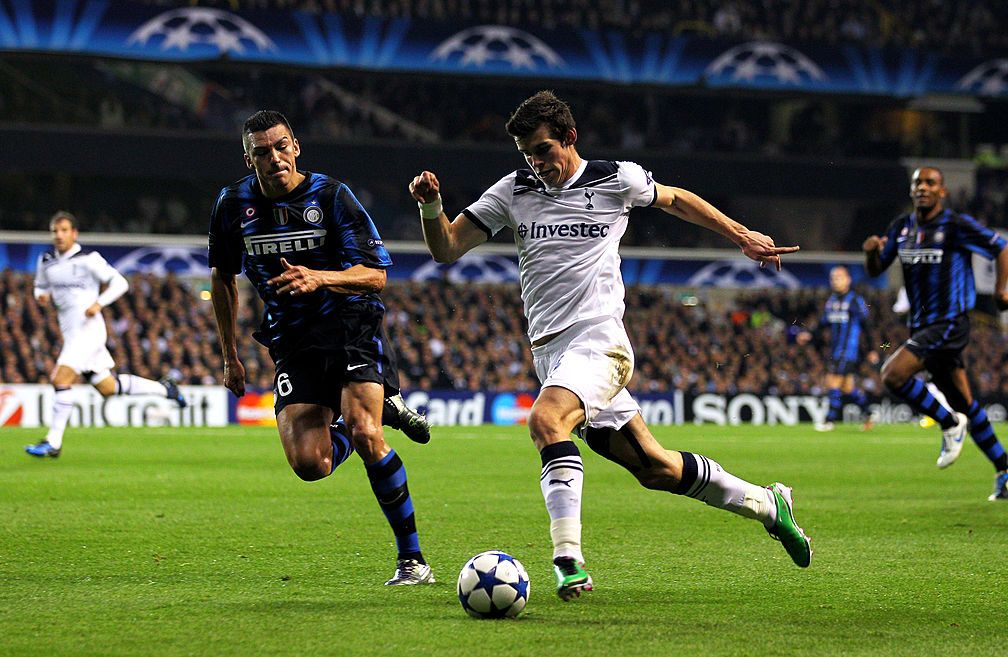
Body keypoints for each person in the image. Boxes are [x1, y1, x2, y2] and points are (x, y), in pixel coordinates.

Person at [408, 90, 812, 600]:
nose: (538, 164)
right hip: (552, 354)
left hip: (601, 342)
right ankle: (767, 504)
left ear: (569, 139)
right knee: (656, 469)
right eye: (528, 155)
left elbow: (675, 198)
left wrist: (739, 235)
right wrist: (431, 206)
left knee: (544, 421)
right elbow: (445, 248)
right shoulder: (513, 191)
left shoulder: (615, 178)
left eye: (545, 150)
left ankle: (568, 558)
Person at [208, 110, 433, 586]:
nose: (275, 158)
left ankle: (412, 559)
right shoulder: (232, 206)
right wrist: (229, 353)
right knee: (311, 465)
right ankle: (368, 414)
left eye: (281, 146)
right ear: (248, 159)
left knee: (366, 432)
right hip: (291, 337)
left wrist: (320, 277)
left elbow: (375, 275)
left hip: (350, 323)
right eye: (263, 152)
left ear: (297, 147)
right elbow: (222, 278)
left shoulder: (331, 196)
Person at [863, 166, 1008, 501]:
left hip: (950, 322)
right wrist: (870, 252)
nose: (923, 187)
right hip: (922, 325)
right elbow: (877, 268)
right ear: (911, 190)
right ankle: (1006, 465)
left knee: (892, 375)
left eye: (930, 183)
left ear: (942, 191)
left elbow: (1002, 247)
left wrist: (1001, 290)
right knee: (965, 402)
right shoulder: (902, 227)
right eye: (918, 182)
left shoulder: (955, 225)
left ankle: (948, 423)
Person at [25, 211, 187, 459]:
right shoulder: (46, 260)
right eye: (55, 231)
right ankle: (166, 390)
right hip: (70, 334)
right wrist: (41, 296)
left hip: (89, 332)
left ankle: (53, 442)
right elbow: (39, 286)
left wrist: (99, 303)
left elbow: (120, 283)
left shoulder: (89, 259)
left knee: (60, 379)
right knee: (108, 387)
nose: (59, 235)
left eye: (64, 230)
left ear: (74, 233)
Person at [809, 266, 876, 432]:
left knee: (832, 381)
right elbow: (822, 324)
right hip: (834, 350)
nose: (835, 281)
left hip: (848, 350)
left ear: (848, 280)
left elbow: (867, 325)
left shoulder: (854, 300)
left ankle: (829, 420)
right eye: (833, 278)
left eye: (839, 277)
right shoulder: (831, 301)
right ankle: (868, 414)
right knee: (847, 388)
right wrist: (809, 334)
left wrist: (872, 349)